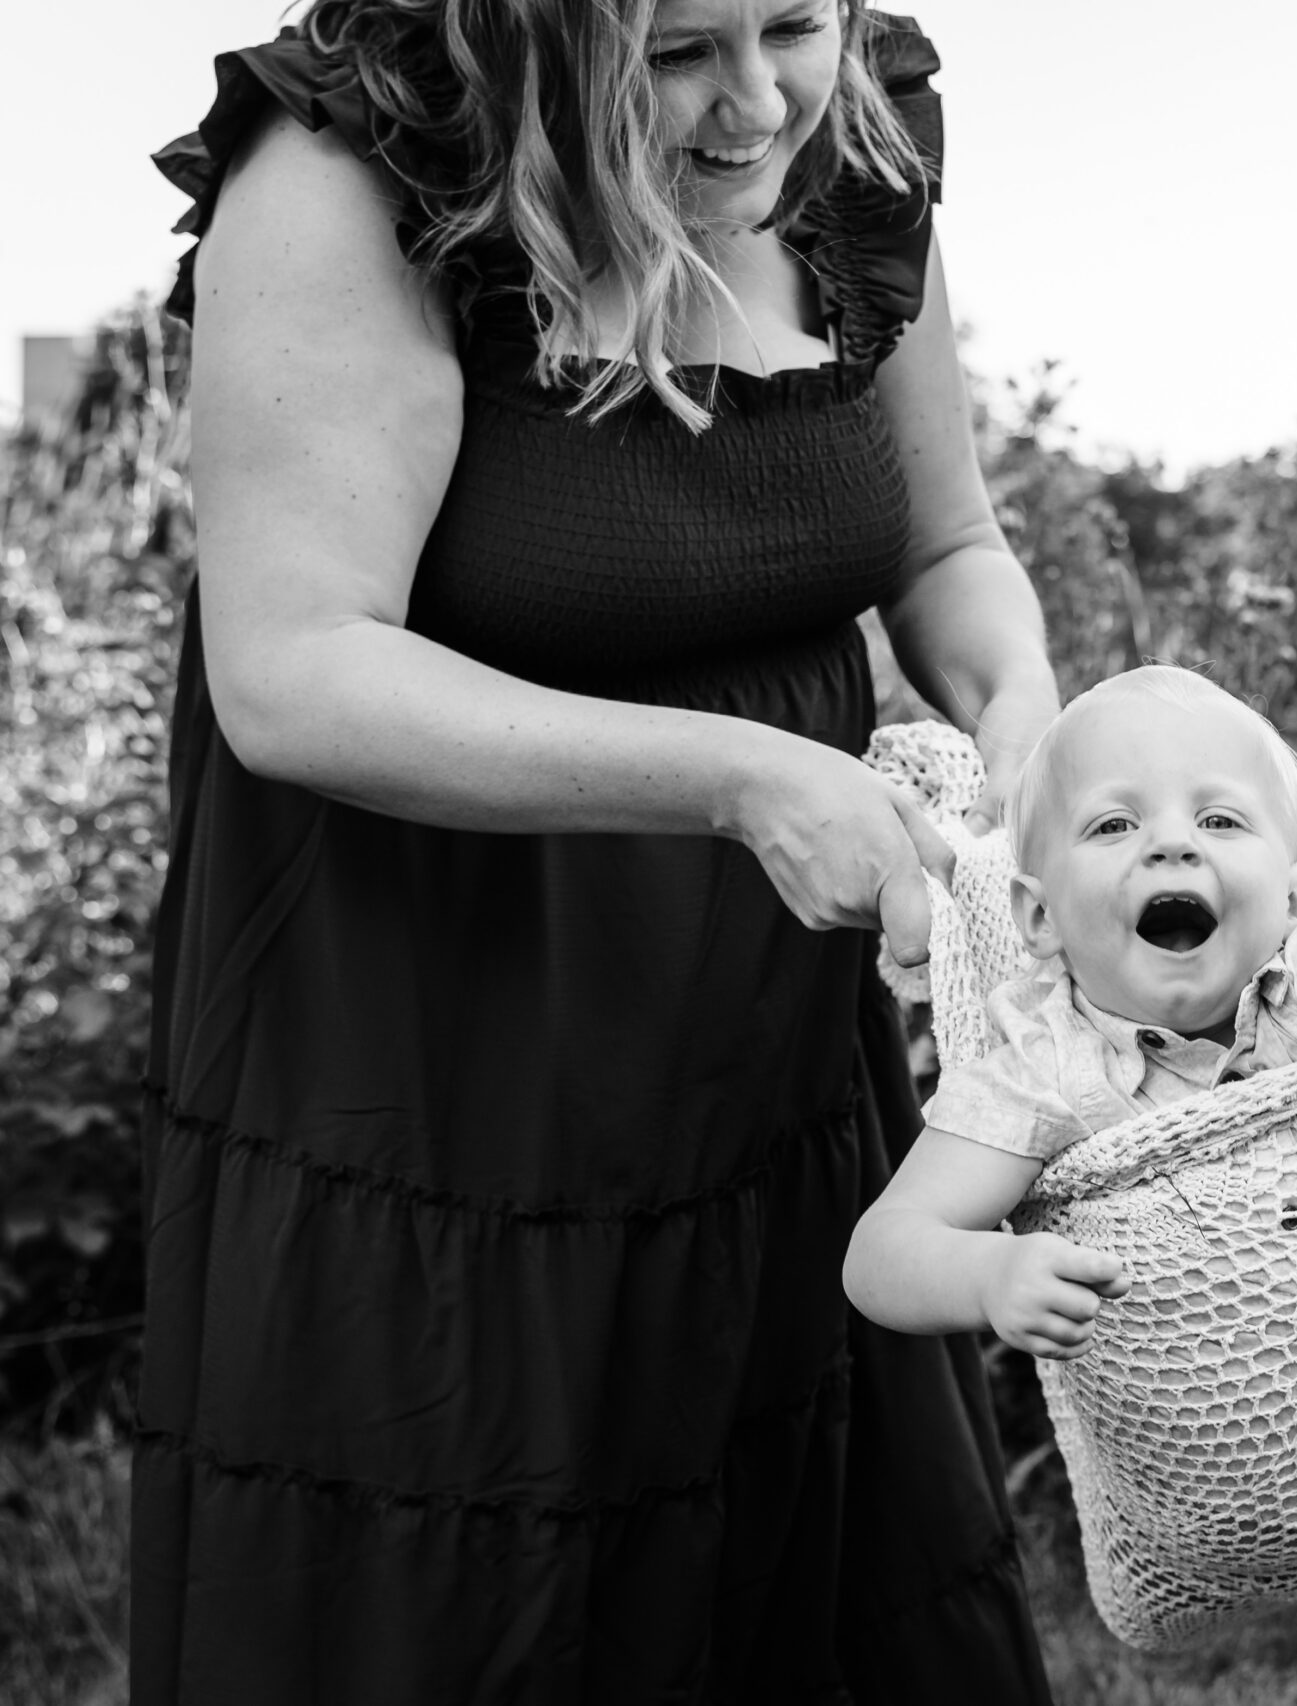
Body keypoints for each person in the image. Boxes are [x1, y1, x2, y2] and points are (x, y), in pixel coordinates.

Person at [139, 2, 1061, 1699]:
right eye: (677, 52)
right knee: (478, 1583)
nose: (759, 99)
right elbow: (292, 670)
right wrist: (745, 779)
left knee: (784, 1554)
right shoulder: (356, 171)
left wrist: (1021, 716)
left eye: (796, 21)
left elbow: (943, 537)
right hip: (442, 1051)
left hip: (763, 1040)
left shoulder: (849, 138)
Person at [845, 620, 1297, 1359]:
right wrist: (988, 1274)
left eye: (1219, 819)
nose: (1173, 842)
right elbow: (882, 1254)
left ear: (1296, 893)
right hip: (1186, 1447)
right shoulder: (1045, 1067)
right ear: (1041, 917)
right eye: (1114, 824)